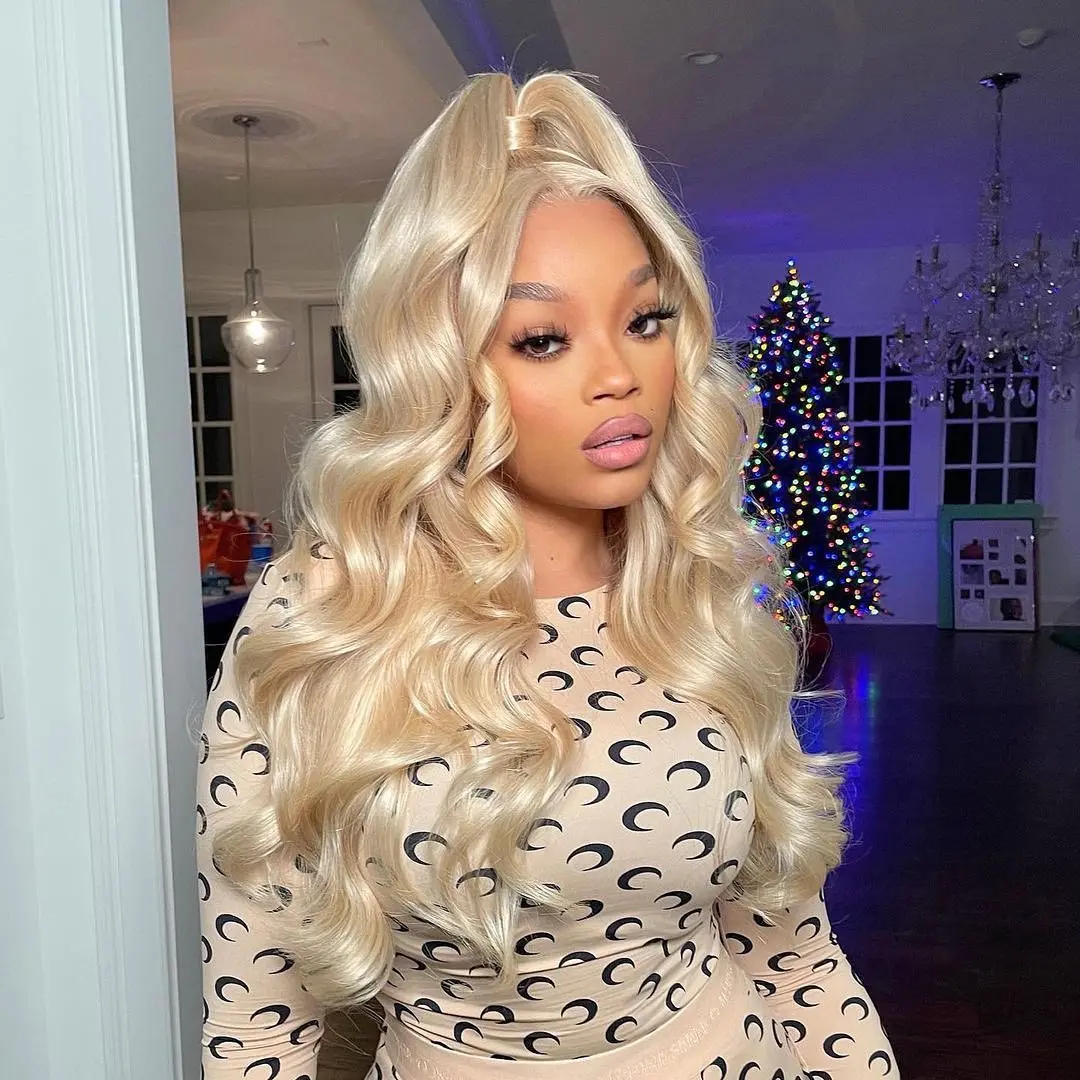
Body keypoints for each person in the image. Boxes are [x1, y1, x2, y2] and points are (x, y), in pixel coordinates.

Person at [197, 71, 898, 1079]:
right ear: (442, 364)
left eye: (645, 320)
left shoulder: (695, 584)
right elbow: (256, 1027)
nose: (619, 375)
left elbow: (792, 953)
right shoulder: (325, 611)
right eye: (543, 338)